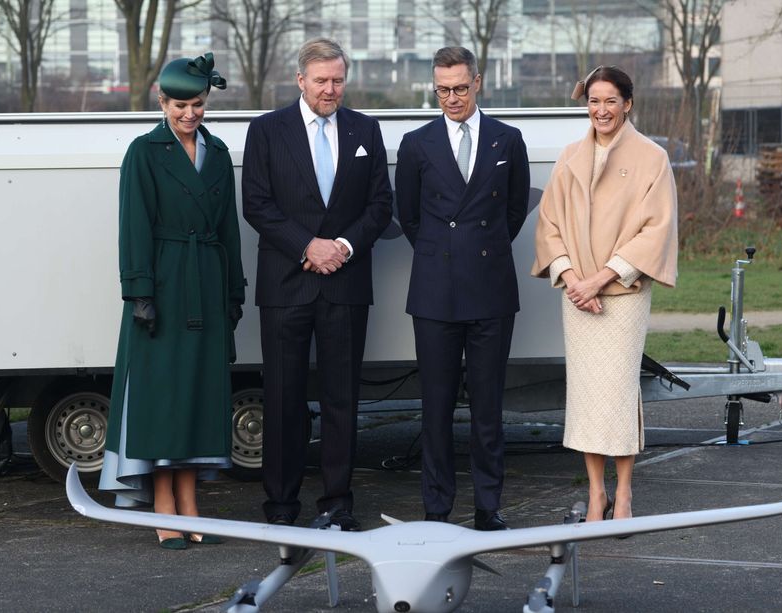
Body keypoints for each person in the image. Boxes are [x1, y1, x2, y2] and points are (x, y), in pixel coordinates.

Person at [241, 38, 393, 531]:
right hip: (286, 284)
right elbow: (256, 203)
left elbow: (380, 205)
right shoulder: (266, 130)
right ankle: (281, 505)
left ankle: (337, 503)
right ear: (300, 80)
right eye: (322, 80)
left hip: (345, 285)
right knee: (282, 399)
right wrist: (308, 246)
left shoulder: (366, 130)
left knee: (341, 400)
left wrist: (342, 247)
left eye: (338, 80)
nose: (330, 89)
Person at [99, 53, 247, 549]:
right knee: (163, 398)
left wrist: (234, 291)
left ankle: (190, 502)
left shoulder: (218, 153)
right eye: (180, 105)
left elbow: (229, 228)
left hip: (207, 282)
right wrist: (139, 291)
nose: (190, 113)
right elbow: (133, 224)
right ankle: (164, 505)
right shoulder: (143, 152)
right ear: (162, 103)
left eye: (198, 104)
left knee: (197, 396)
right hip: (162, 287)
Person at [531, 66, 678, 522]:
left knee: (617, 392)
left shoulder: (652, 158)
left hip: (623, 295)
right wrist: (573, 277)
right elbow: (549, 224)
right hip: (578, 296)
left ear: (627, 104)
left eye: (610, 100)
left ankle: (625, 492)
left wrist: (600, 279)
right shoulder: (570, 157)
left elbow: (657, 229)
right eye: (594, 101)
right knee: (586, 395)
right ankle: (597, 493)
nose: (601, 110)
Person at [395, 46, 530, 531]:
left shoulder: (507, 139)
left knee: (488, 407)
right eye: (441, 90)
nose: (451, 98)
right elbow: (409, 216)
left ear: (477, 82)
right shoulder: (417, 143)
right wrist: (443, 253)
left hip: (491, 289)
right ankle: (436, 509)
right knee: (435, 408)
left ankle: (488, 508)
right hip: (435, 291)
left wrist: (478, 248)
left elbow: (514, 212)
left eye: (458, 88)